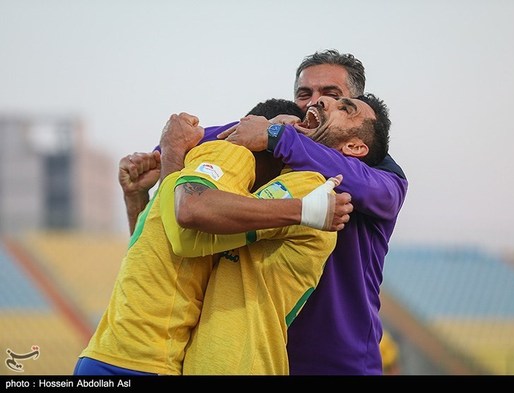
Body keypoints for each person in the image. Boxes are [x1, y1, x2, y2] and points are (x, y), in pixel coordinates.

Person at [119, 49, 408, 375]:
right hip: (259, 359)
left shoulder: (379, 174)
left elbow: (375, 191)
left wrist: (274, 136)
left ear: (358, 105)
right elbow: (176, 243)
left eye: (332, 95)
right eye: (304, 94)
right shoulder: (276, 160)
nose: (314, 102)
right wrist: (162, 156)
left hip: (339, 364)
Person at [74, 99, 351, 375]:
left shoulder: (235, 197)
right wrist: (304, 210)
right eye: (279, 130)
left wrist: (145, 190)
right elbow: (183, 225)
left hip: (115, 355)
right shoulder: (232, 155)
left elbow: (162, 243)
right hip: (144, 361)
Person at [164, 94, 390, 375]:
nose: (321, 101)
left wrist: (172, 151)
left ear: (355, 147)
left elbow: (190, 217)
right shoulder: (279, 181)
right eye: (307, 94)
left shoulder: (311, 188)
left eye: (345, 108)